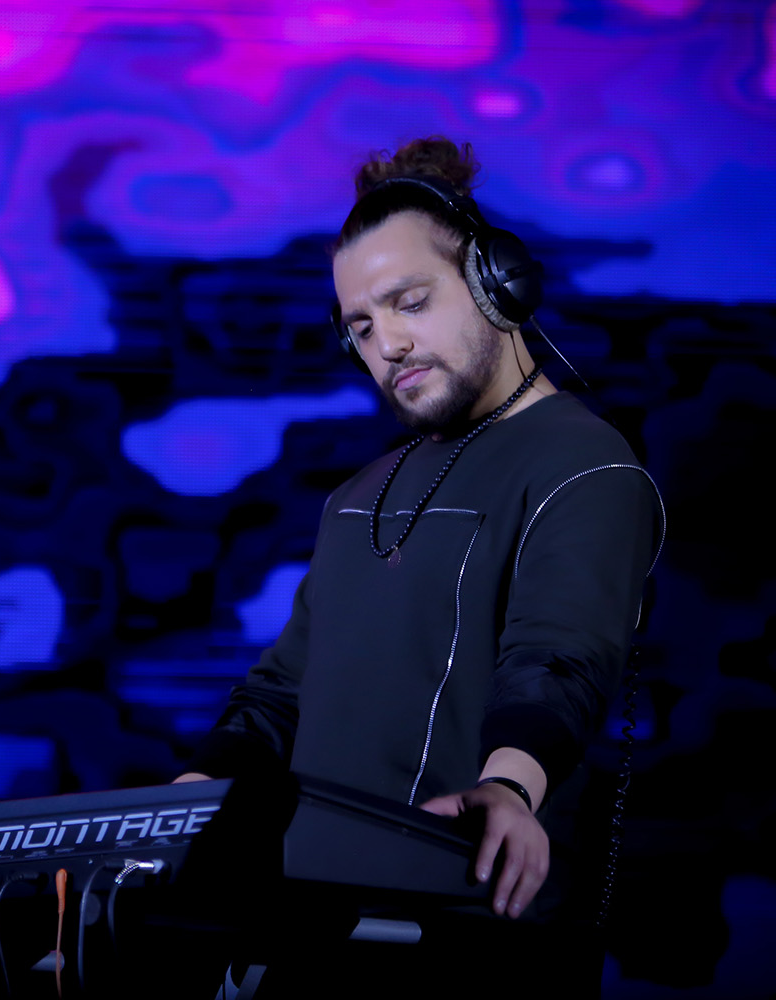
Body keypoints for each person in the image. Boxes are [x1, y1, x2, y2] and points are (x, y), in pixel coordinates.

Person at [174, 136, 663, 994]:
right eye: (362, 327)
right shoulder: (356, 495)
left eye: (410, 302)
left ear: (496, 284)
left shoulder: (587, 467)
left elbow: (559, 660)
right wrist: (179, 802)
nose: (389, 343)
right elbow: (281, 693)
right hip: (311, 932)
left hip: (470, 944)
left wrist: (510, 786)